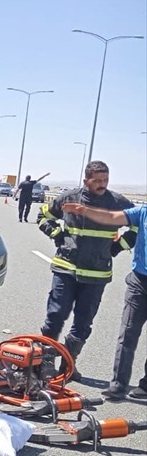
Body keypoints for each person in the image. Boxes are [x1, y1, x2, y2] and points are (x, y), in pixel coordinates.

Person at [37, 161, 134, 381]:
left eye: (105, 180)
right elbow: (43, 216)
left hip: (97, 274)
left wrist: (119, 246)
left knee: (83, 323)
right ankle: (45, 364)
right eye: (97, 180)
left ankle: (68, 366)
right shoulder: (69, 198)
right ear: (86, 181)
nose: (102, 184)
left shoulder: (118, 203)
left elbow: (138, 225)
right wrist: (57, 235)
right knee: (55, 316)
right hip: (66, 268)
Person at [62, 199, 145, 400]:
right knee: (128, 333)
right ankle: (118, 385)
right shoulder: (143, 212)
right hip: (140, 282)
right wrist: (86, 211)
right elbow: (112, 217)